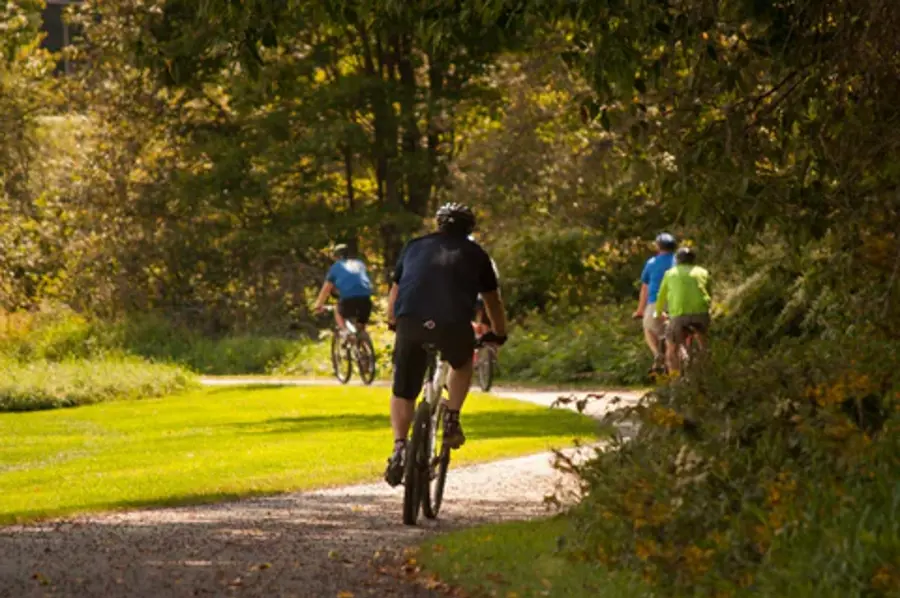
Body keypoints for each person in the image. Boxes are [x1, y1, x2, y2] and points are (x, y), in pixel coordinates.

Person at [384, 203, 508, 486]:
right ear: (469, 228)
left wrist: (393, 321)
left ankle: (399, 448)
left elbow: (397, 289)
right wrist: (499, 333)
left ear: (439, 224)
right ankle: (452, 417)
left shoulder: (414, 246)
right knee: (462, 362)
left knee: (403, 390)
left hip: (411, 321)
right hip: (453, 324)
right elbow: (492, 301)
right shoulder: (477, 254)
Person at [655, 247, 711, 374]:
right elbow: (709, 292)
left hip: (679, 316)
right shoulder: (703, 272)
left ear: (677, 260)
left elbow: (661, 296)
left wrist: (658, 312)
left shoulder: (670, 273)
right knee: (703, 342)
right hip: (701, 314)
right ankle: (707, 368)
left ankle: (675, 382)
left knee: (671, 347)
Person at [633, 232, 677, 370]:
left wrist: (640, 310)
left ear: (658, 247)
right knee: (675, 337)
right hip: (678, 302)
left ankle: (658, 354)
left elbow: (645, 288)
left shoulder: (651, 263)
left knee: (648, 327)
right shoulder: (679, 261)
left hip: (655, 302)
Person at [312, 244, 373, 334]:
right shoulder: (360, 264)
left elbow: (326, 289)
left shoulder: (336, 267)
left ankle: (345, 332)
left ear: (336, 257)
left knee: (338, 310)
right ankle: (364, 342)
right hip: (366, 299)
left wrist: (318, 305)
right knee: (360, 329)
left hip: (348, 299)